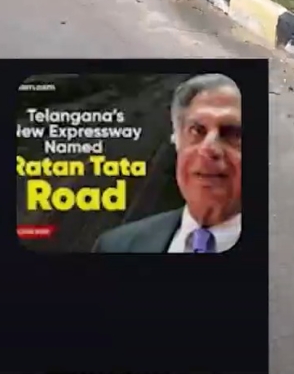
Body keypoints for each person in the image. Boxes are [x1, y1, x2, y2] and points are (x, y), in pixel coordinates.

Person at [92, 73, 242, 253]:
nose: (209, 148)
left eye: (233, 133)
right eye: (196, 130)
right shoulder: (116, 246)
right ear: (176, 140)